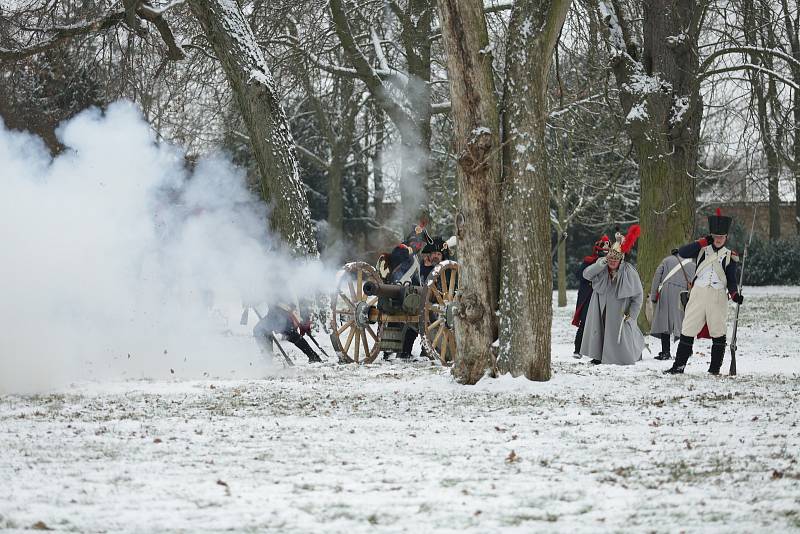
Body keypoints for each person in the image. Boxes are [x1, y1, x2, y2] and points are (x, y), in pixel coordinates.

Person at [664, 209, 742, 375]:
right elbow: (682, 252)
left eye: (721, 237)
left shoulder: (729, 256)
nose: (718, 239)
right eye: (715, 236)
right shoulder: (701, 249)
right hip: (698, 293)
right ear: (711, 236)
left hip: (717, 295)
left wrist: (735, 295)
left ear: (726, 237)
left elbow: (732, 281)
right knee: (688, 328)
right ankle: (678, 366)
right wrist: (701, 242)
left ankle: (714, 369)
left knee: (718, 331)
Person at [579, 225, 645, 365]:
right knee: (599, 330)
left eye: (615, 259)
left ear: (620, 259)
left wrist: (632, 315)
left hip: (619, 311)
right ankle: (598, 356)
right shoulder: (601, 266)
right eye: (610, 259)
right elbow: (586, 275)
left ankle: (622, 357)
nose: (612, 262)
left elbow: (638, 296)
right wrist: (602, 262)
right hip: (600, 308)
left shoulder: (629, 271)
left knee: (620, 335)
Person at [648, 252, 695, 360]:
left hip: (667, 292)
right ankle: (688, 349)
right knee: (684, 322)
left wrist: (654, 296)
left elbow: (656, 277)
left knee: (665, 322)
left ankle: (665, 352)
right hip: (683, 294)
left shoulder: (667, 260)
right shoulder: (692, 264)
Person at [572, 235, 610, 358]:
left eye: (608, 245)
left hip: (604, 295)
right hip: (588, 296)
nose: (606, 247)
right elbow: (580, 275)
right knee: (584, 323)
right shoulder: (589, 260)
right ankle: (578, 350)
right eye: (603, 245)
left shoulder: (612, 261)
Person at [253, 302, 323, 363]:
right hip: (277, 312)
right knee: (263, 329)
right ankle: (313, 356)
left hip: (281, 312)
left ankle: (268, 359)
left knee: (261, 329)